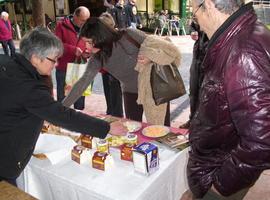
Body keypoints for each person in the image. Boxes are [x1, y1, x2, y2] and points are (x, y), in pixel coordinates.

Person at [0, 28, 123, 186]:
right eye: (53, 59)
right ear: (36, 58)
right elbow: (64, 116)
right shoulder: (29, 88)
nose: (56, 64)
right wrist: (106, 127)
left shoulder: (5, 63)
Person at [181, 1, 270, 200]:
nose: (198, 23)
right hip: (219, 162)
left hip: (220, 173)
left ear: (209, 5)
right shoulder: (244, 34)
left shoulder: (242, 51)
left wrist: (216, 190)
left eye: (194, 13)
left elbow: (262, 143)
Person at [62, 17, 182, 126]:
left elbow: (160, 46)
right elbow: (82, 83)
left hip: (155, 88)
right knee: (133, 128)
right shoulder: (97, 58)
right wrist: (60, 110)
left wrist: (150, 57)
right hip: (130, 93)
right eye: (85, 42)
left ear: (100, 36)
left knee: (161, 128)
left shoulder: (129, 35)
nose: (87, 47)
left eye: (89, 42)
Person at [54, 6, 90, 110]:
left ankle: (79, 122)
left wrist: (88, 52)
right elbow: (57, 45)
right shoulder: (61, 25)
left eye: (87, 20)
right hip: (64, 68)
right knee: (63, 100)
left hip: (80, 68)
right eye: (83, 20)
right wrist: (73, 50)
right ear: (75, 16)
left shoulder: (87, 27)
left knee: (79, 98)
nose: (85, 23)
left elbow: (90, 42)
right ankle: (61, 122)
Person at [179, 22, 208, 129]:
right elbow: (193, 25)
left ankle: (202, 123)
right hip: (197, 57)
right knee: (193, 92)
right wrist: (193, 31)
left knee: (206, 94)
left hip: (210, 60)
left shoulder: (218, 15)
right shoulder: (201, 13)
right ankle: (192, 120)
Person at [99, 12, 123, 117]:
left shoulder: (117, 36)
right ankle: (110, 114)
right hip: (105, 71)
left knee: (115, 99)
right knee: (109, 98)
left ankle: (116, 117)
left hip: (114, 73)